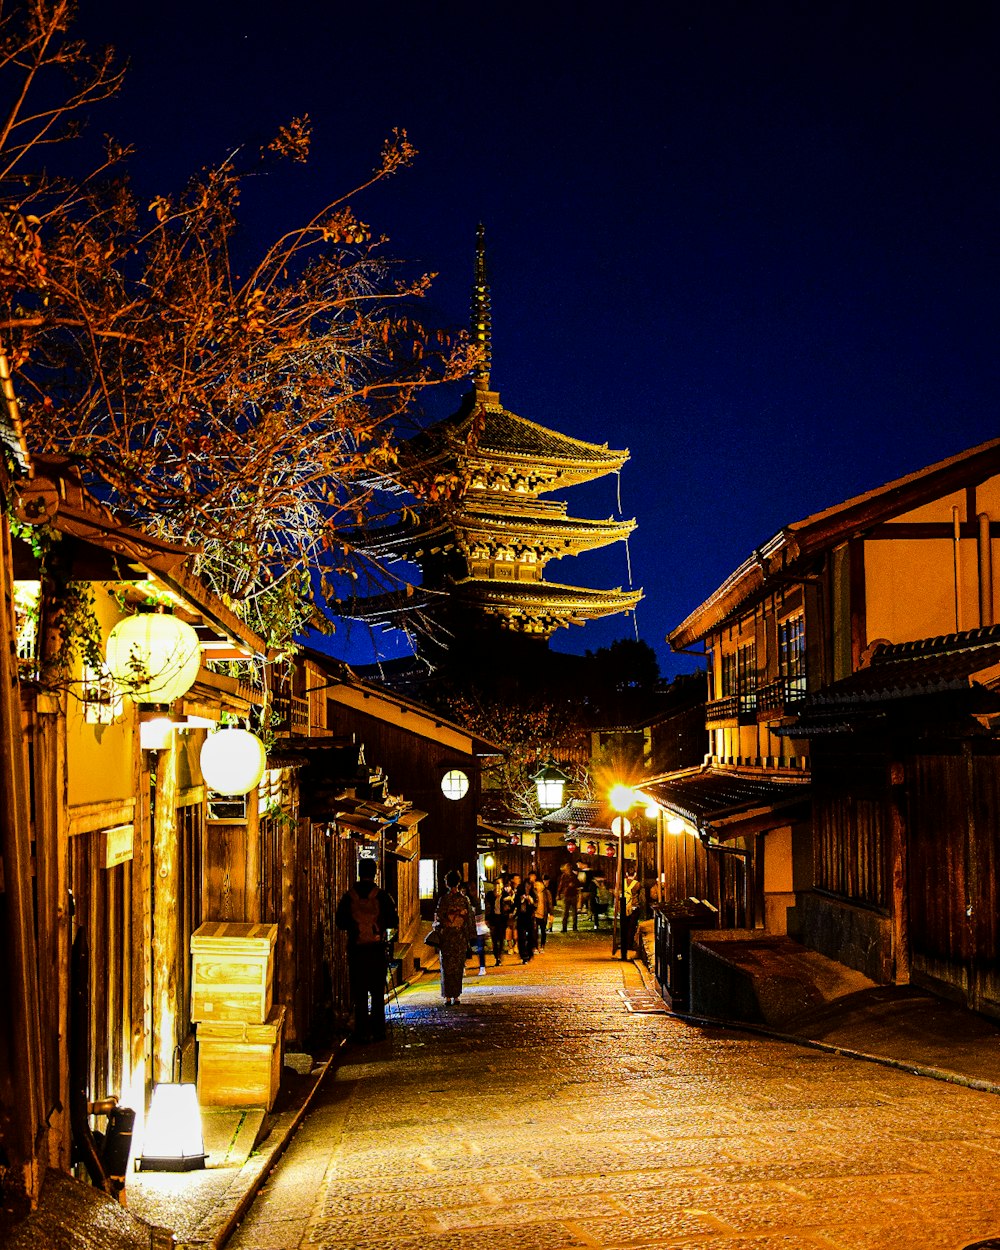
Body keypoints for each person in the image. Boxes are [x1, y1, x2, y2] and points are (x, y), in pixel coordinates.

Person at [334, 856, 398, 1044]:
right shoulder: (382, 896)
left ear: (359, 872)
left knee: (359, 993)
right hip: (376, 950)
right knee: (377, 993)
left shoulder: (349, 896)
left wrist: (356, 927)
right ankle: (378, 1030)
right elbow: (394, 921)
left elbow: (340, 922)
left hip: (357, 950)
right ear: (375, 872)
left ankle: (362, 1031)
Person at [434, 869, 476, 1005]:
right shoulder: (464, 900)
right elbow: (469, 918)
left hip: (446, 936)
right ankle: (456, 995)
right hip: (459, 937)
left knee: (446, 967)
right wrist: (470, 936)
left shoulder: (443, 900)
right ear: (458, 883)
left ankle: (447, 996)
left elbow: (439, 916)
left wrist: (447, 920)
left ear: (447, 883)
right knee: (458, 966)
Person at [484, 875, 511, 966]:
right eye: (496, 883)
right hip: (493, 918)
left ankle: (500, 954)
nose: (497, 885)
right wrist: (487, 919)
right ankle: (497, 957)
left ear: (502, 885)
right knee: (494, 939)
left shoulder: (506, 895)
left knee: (501, 938)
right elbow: (487, 907)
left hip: (502, 918)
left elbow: (510, 907)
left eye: (499, 883)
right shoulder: (489, 895)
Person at [515, 873, 538, 963]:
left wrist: (531, 901)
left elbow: (536, 904)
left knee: (531, 936)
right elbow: (515, 903)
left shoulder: (533, 891)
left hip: (530, 916)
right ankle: (524, 956)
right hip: (521, 916)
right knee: (522, 937)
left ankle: (530, 953)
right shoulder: (519, 890)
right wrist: (521, 900)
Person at [556, 863, 579, 932]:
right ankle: (564, 927)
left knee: (574, 912)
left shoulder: (574, 876)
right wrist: (558, 894)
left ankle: (574, 927)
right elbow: (560, 885)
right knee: (565, 912)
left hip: (573, 895)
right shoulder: (564, 876)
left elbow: (578, 884)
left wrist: (573, 885)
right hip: (566, 895)